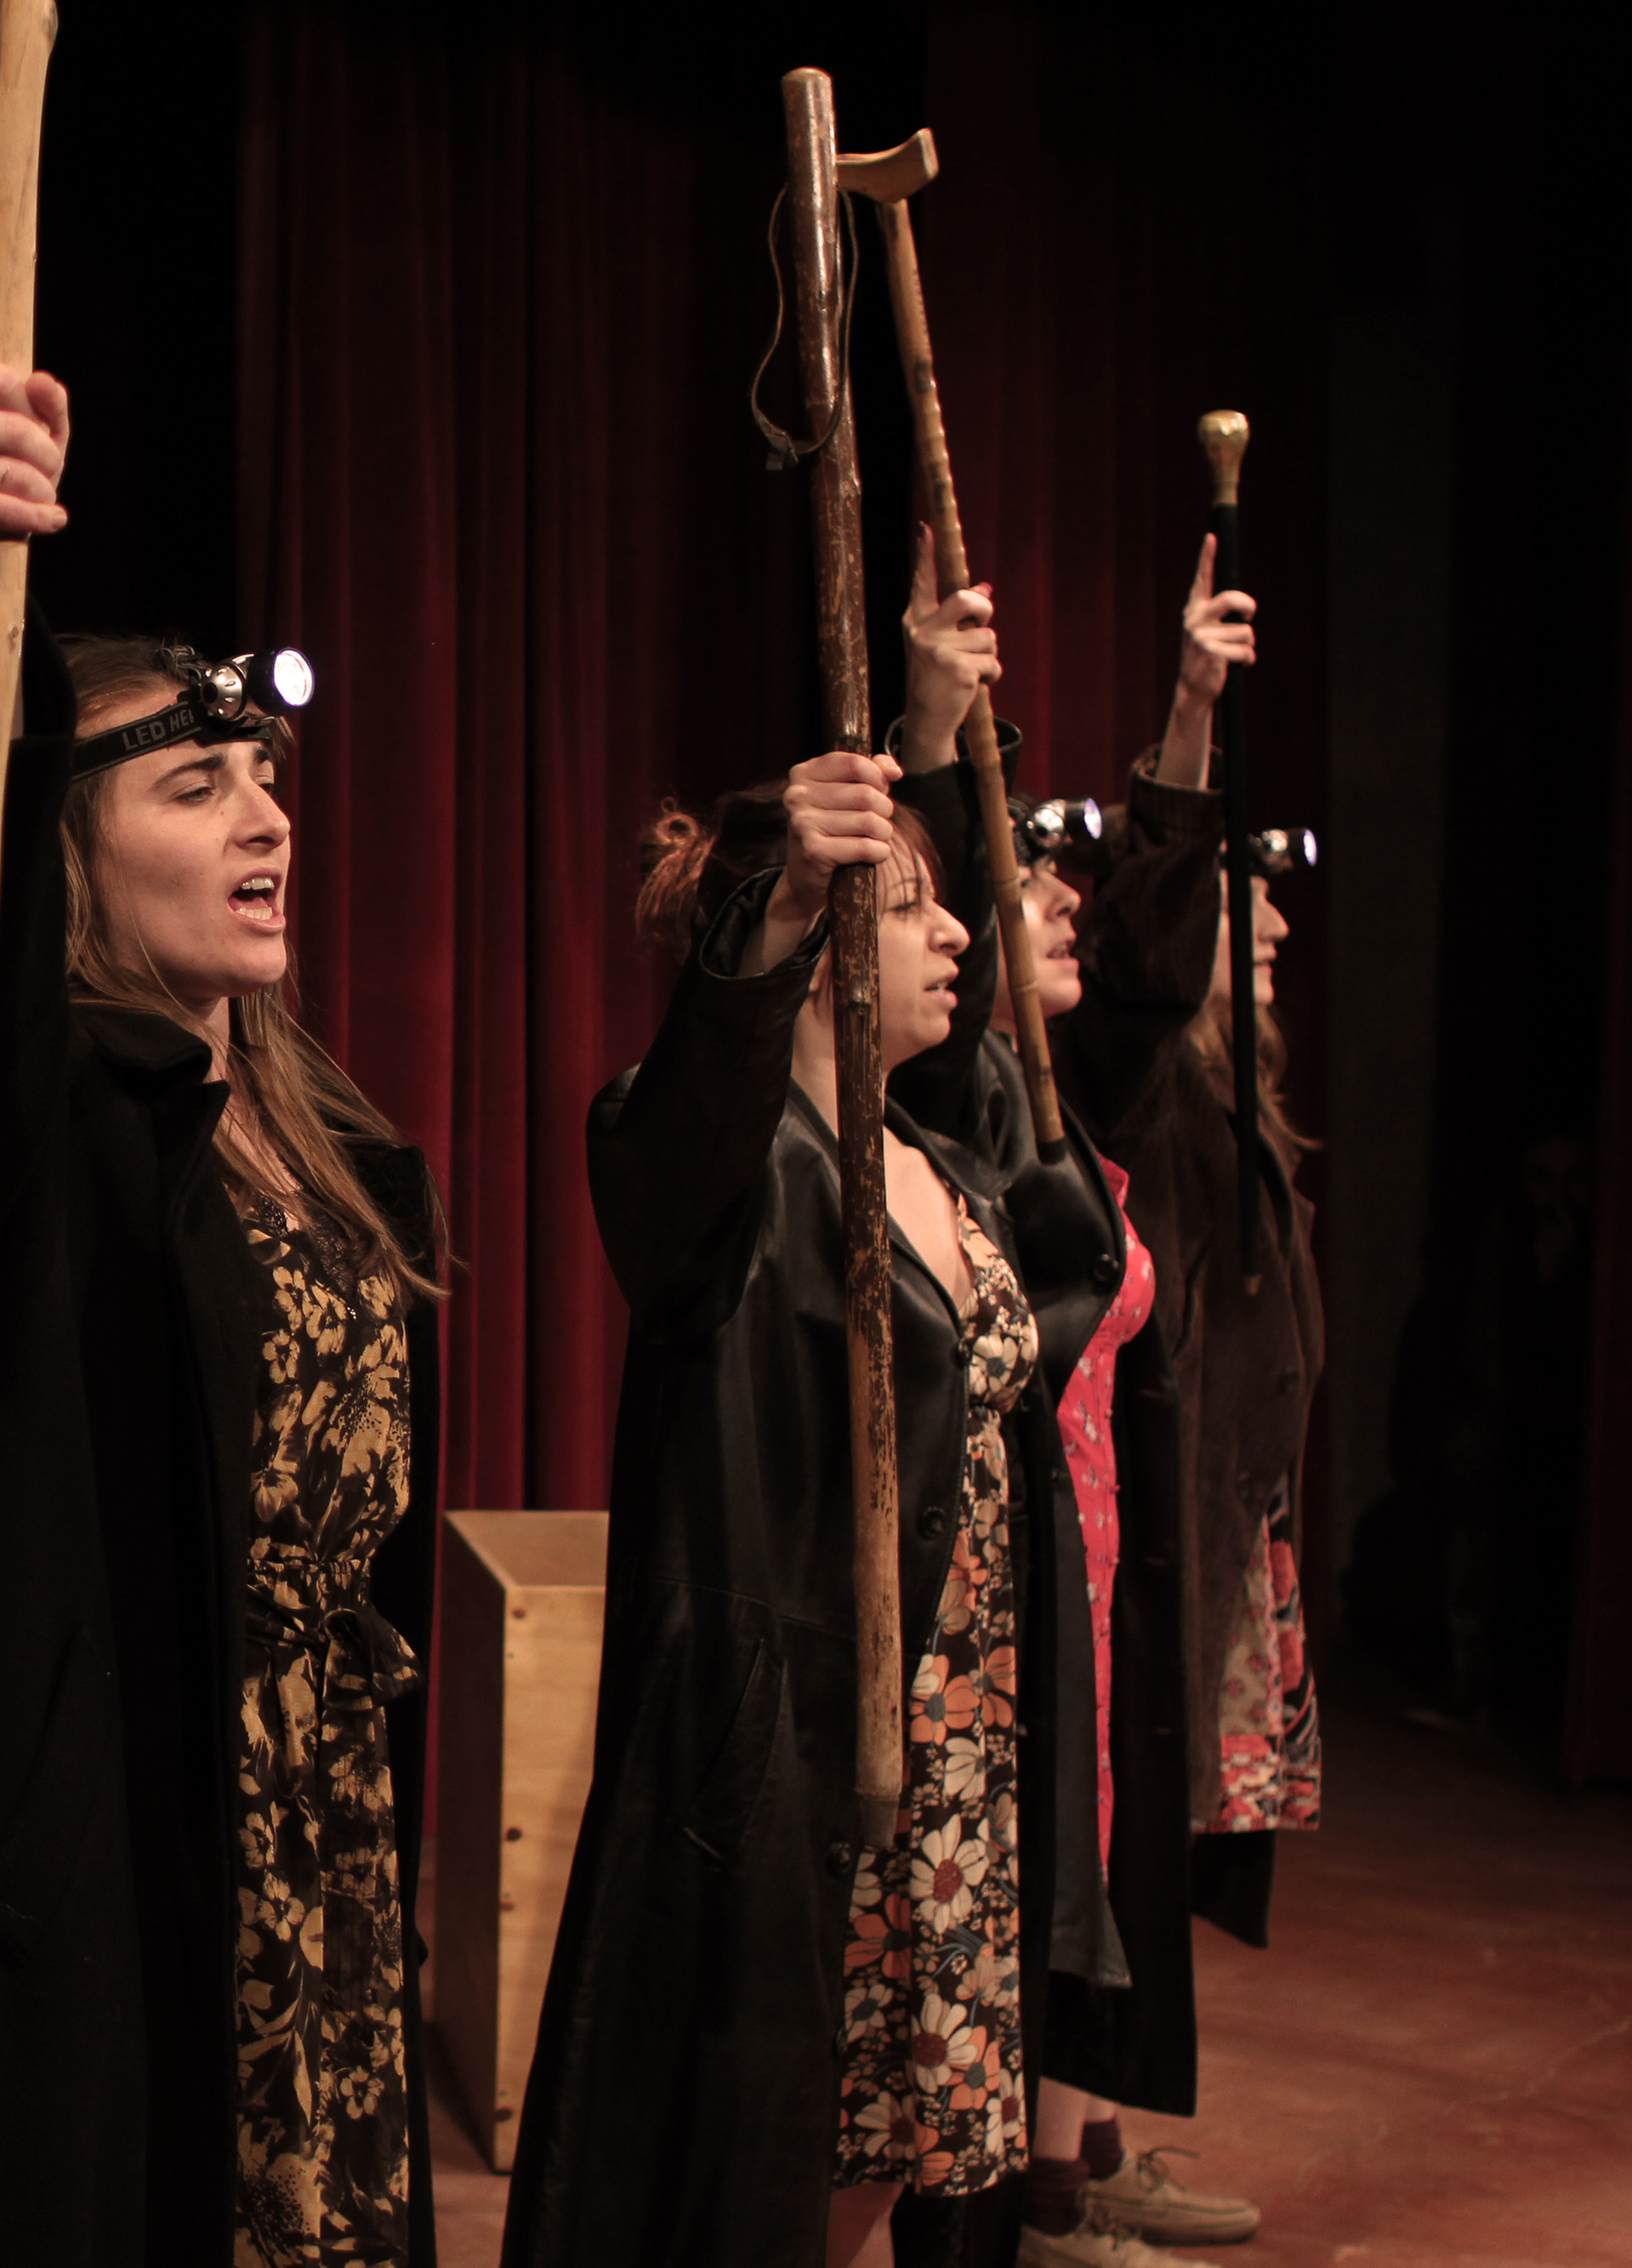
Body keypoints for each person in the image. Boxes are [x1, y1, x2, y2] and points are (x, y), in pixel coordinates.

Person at [0, 360, 449, 2266]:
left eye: (266, 777)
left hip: (316, 1820)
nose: (265, 818)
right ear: (69, 845)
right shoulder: (38, 1127)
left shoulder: (334, 1144)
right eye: (194, 783)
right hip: (122, 1822)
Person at [502, 714, 1082, 2268]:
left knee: (897, 2130)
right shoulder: (724, 1161)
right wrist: (769, 914)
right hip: (819, 1751)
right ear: (812, 945)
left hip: (961, 1747)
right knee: (779, 2139)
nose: (957, 937)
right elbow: (680, 1156)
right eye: (911, 910)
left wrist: (935, 716)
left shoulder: (939, 1161)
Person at [880, 533, 1238, 2267]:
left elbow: (1159, 961)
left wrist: (1190, 710)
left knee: (1093, 1863)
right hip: (1011, 1562)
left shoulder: (1073, 1090)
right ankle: (1022, 2194)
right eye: (1025, 891)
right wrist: (933, 723)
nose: (1056, 909)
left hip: (1102, 1555)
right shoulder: (965, 1102)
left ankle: (1071, 2152)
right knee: (1023, 1874)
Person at [1016, 536, 1319, 2254]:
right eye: (1234, 891)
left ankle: (1096, 2137)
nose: (1264, 917)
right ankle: (1056, 2176)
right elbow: (1142, 927)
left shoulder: (1207, 1087)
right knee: (1107, 1836)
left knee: (1137, 1847)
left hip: (1204, 1510)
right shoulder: (1120, 1068)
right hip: (1127, 1508)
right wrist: (1192, 710)